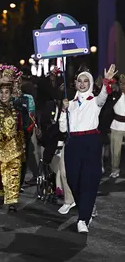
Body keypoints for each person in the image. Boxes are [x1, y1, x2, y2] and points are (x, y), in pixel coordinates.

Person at [60, 64, 117, 233]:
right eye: (80, 81)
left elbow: (104, 96)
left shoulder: (95, 101)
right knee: (72, 180)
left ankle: (83, 218)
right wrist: (64, 110)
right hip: (73, 143)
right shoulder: (69, 103)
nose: (83, 84)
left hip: (91, 141)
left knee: (89, 180)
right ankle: (87, 205)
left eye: (86, 81)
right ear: (76, 83)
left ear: (90, 83)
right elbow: (63, 128)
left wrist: (106, 81)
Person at [0, 65, 25, 212]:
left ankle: (12, 199)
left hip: (14, 145)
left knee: (14, 172)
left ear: (11, 93)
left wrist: (22, 147)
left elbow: (20, 128)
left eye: (6, 92)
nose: (3, 95)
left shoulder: (17, 108)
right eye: (1, 92)